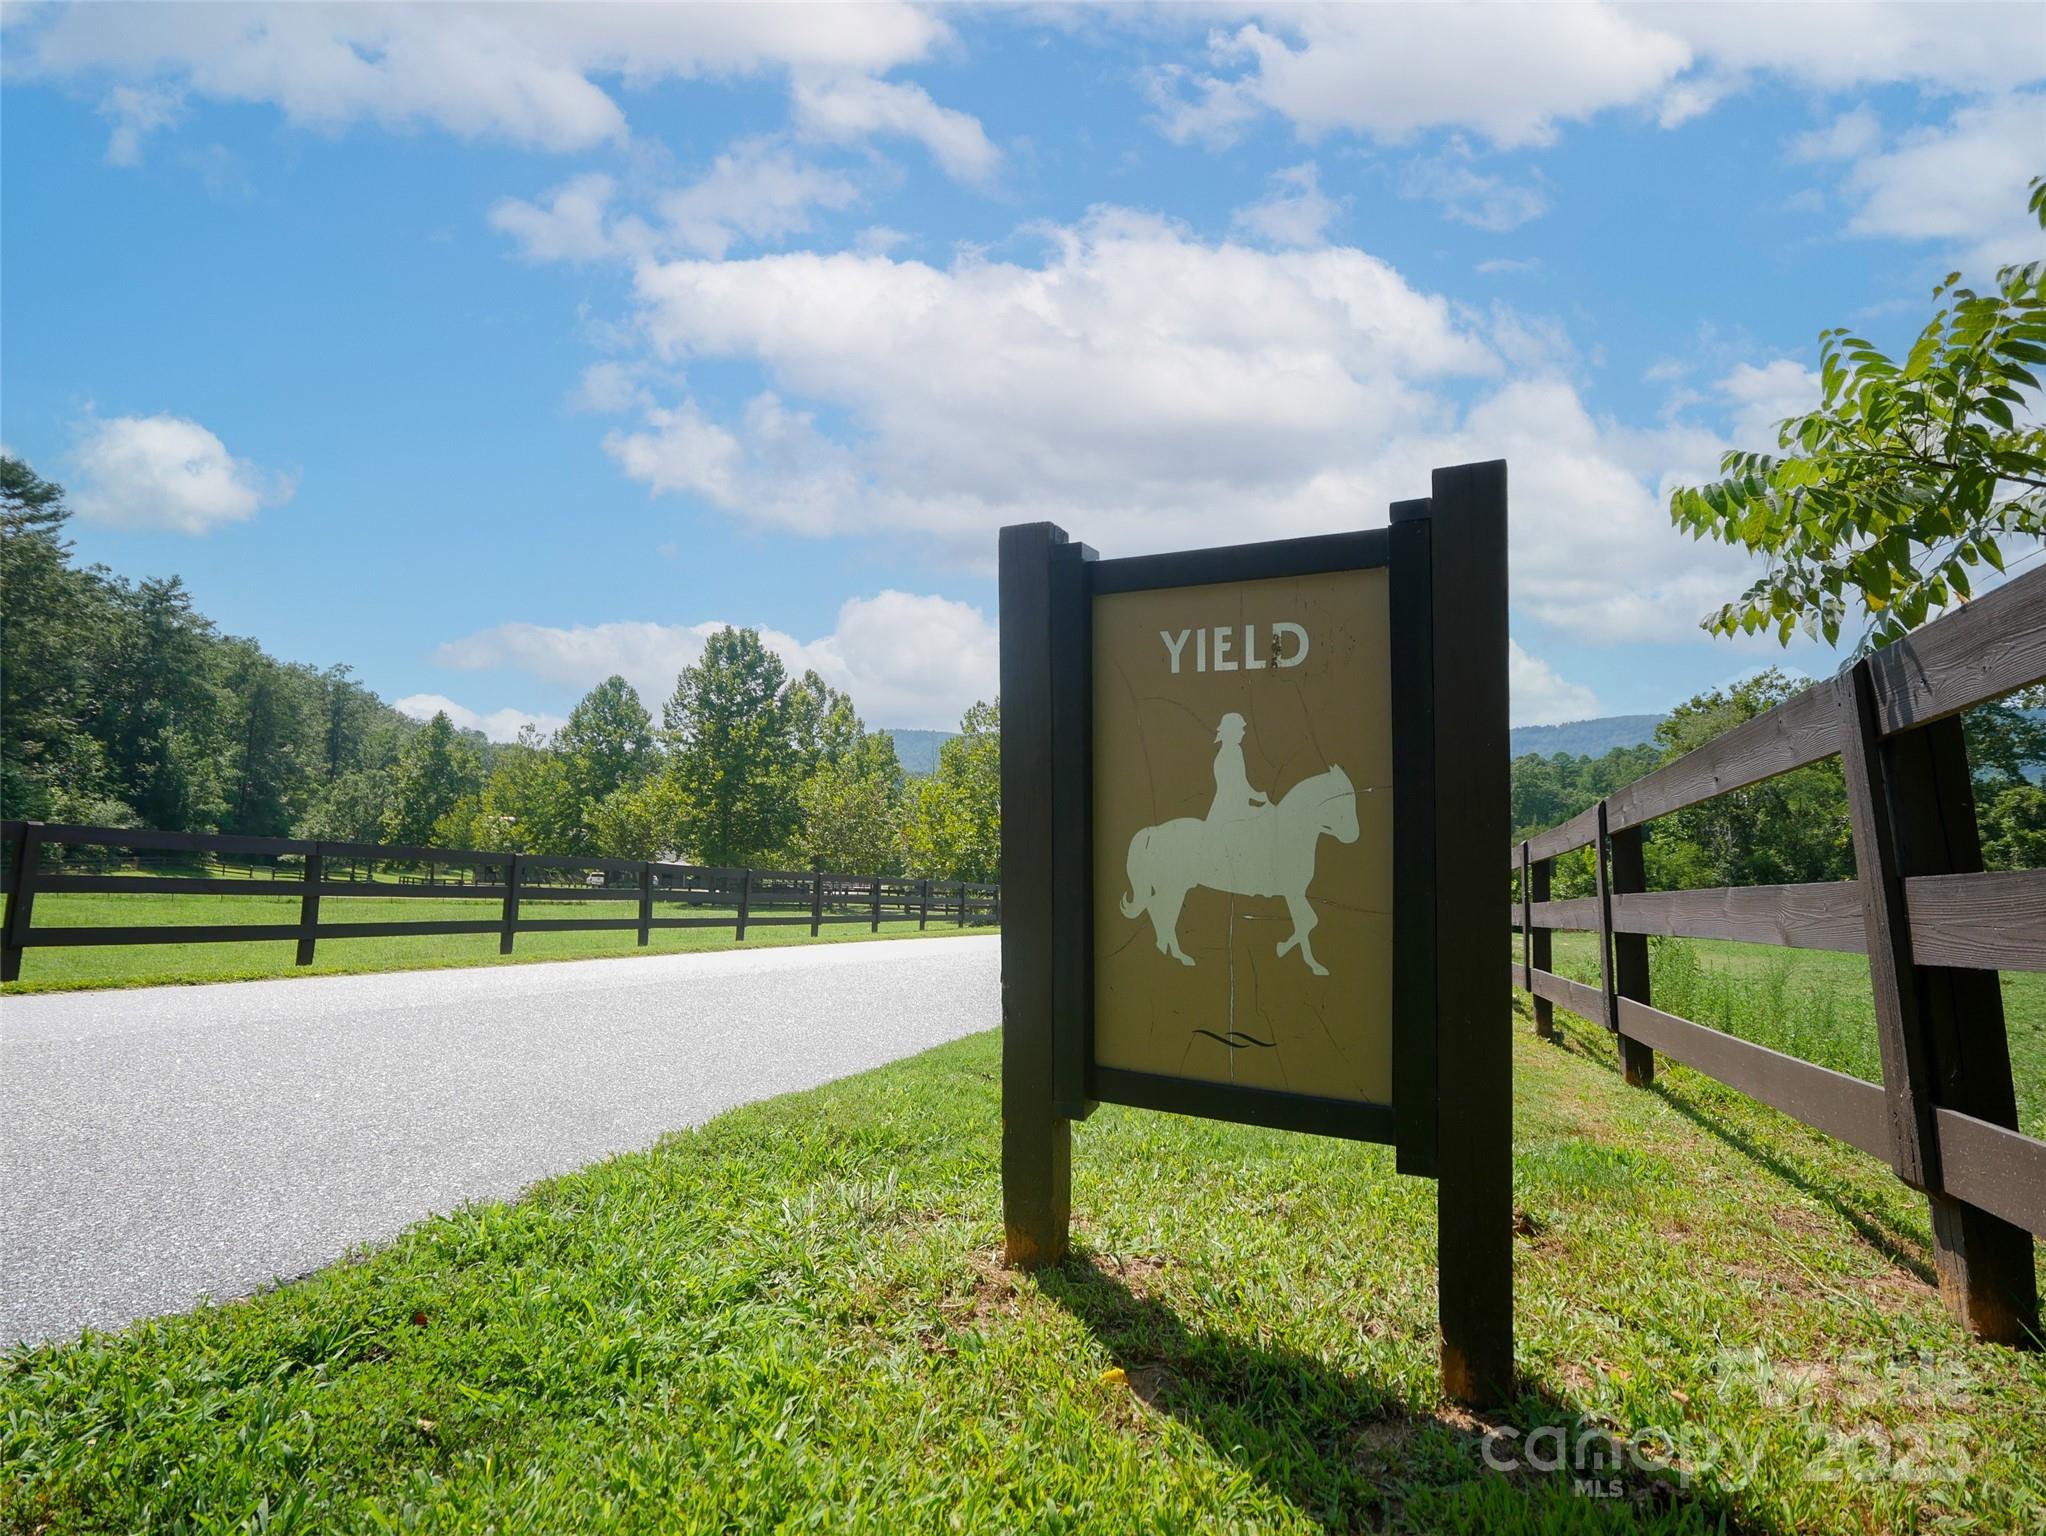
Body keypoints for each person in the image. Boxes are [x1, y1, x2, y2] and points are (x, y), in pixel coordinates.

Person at [1208, 712, 1269, 822]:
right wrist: (1258, 797)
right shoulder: (1230, 753)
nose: (1243, 732)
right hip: (1230, 809)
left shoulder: (1235, 750)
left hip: (1235, 806)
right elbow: (1240, 784)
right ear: (1231, 731)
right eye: (1241, 729)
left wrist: (1258, 796)